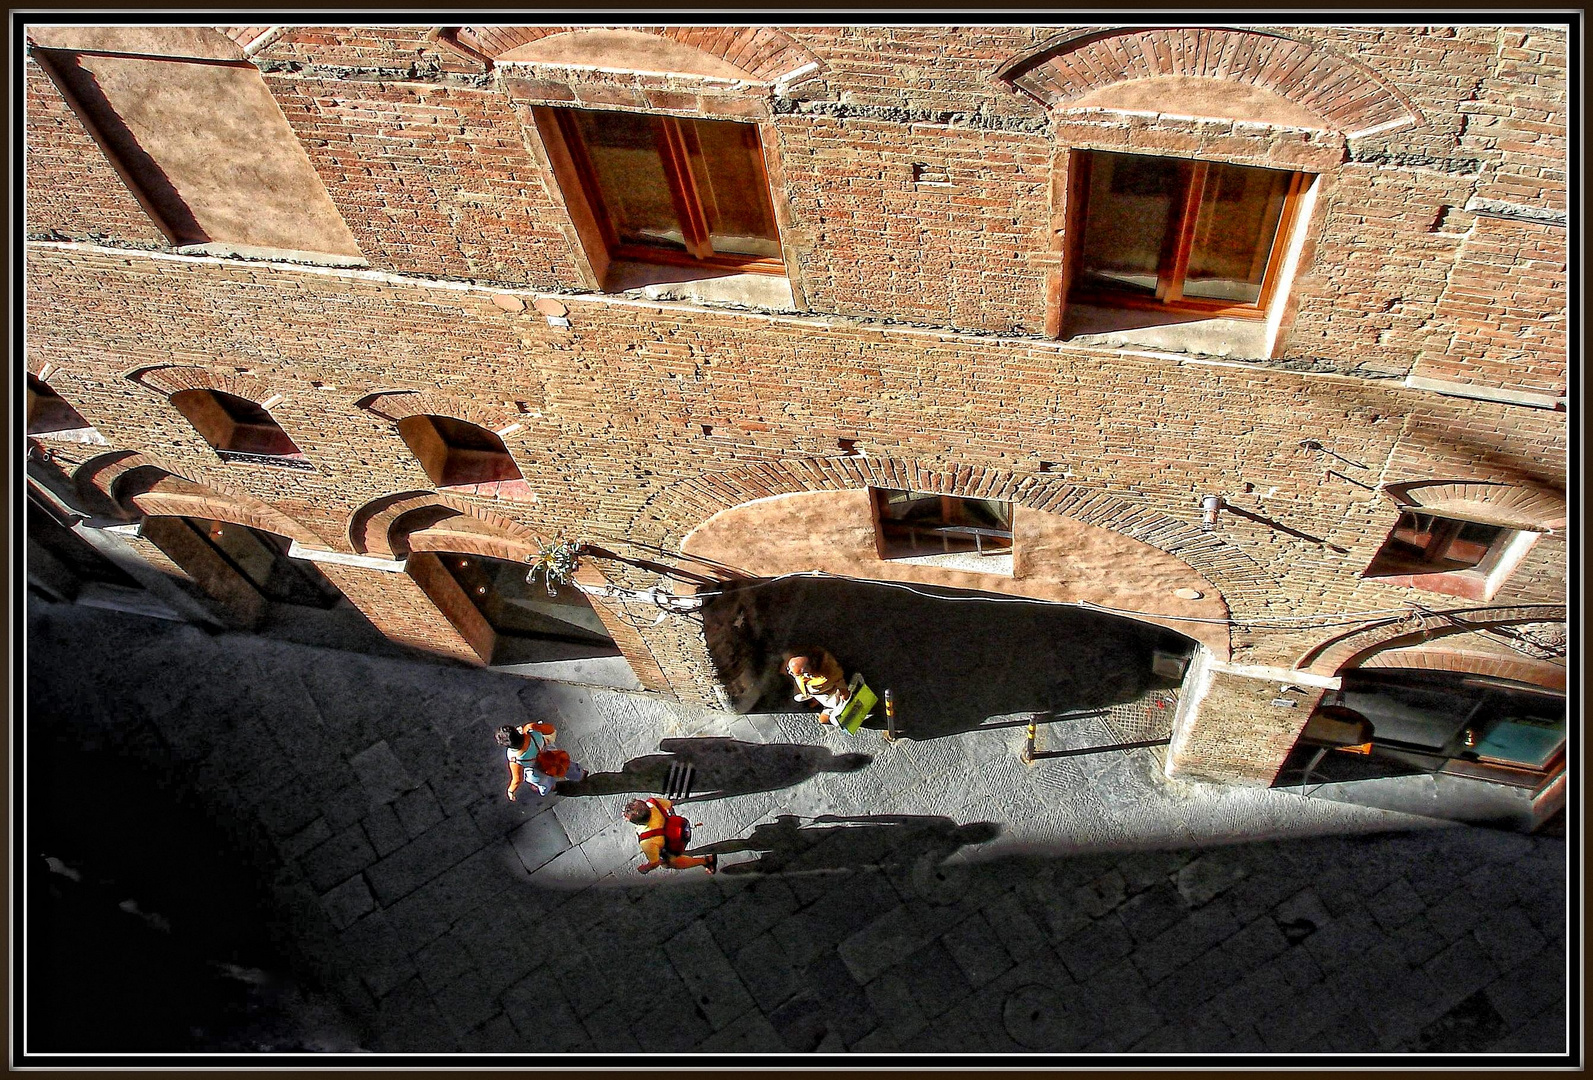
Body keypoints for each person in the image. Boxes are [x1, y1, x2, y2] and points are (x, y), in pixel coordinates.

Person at [497, 722, 587, 801]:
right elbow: (550, 729)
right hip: (549, 754)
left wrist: (510, 791)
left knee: (543, 782)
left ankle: (552, 787)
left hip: (538, 770)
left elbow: (517, 779)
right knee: (564, 765)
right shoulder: (530, 728)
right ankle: (580, 774)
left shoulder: (514, 759)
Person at [625, 797, 716, 874]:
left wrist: (645, 868)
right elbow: (669, 804)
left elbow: (655, 863)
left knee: (668, 863)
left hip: (674, 845)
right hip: (680, 827)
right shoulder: (652, 802)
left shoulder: (647, 842)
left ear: (637, 822)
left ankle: (706, 861)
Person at [785, 648, 851, 725]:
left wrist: (844, 693)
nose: (790, 672)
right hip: (817, 693)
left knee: (831, 719)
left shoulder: (827, 674)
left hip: (832, 694)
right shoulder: (802, 676)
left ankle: (831, 709)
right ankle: (820, 702)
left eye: (794, 673)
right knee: (798, 697)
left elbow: (839, 680)